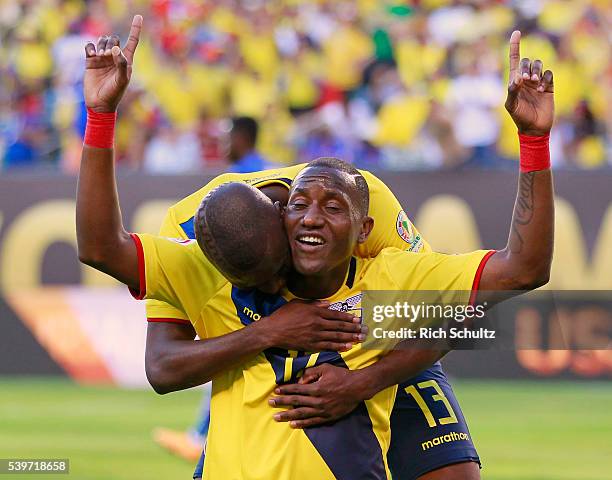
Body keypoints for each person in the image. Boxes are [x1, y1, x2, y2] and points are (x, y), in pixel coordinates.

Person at [76, 17, 554, 480]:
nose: (269, 294)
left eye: (274, 279)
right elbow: (159, 363)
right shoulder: (191, 244)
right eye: (255, 293)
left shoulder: (372, 215)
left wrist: (365, 382)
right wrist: (266, 329)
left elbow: (465, 317)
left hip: (385, 339)